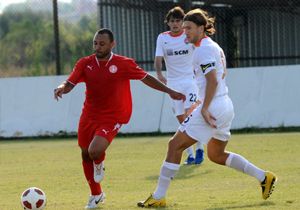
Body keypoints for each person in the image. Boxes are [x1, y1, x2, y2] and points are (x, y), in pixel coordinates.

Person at [137, 8, 277, 208]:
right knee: (216, 155)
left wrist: (204, 107)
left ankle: (159, 197)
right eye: (184, 28)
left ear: (202, 28)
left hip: (213, 107)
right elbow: (221, 75)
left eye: (190, 28)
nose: (185, 31)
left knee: (174, 145)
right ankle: (264, 177)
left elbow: (212, 79)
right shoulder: (213, 47)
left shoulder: (202, 50)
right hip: (224, 104)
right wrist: (201, 102)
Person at [54, 28, 185, 209]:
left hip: (114, 115)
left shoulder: (123, 63)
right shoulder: (85, 63)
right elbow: (70, 82)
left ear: (112, 44)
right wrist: (61, 87)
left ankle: (99, 163)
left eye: (102, 44)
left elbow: (146, 78)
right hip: (89, 114)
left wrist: (170, 91)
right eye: (95, 43)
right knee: (85, 153)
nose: (97, 47)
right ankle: (96, 194)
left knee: (94, 151)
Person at [155, 6, 204, 165]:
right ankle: (189, 153)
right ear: (168, 23)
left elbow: (200, 52)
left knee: (191, 114)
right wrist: (160, 74)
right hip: (173, 83)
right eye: (172, 21)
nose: (175, 24)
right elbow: (158, 58)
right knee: (180, 117)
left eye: (178, 20)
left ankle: (200, 149)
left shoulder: (188, 36)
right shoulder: (162, 38)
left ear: (182, 22)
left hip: (190, 81)